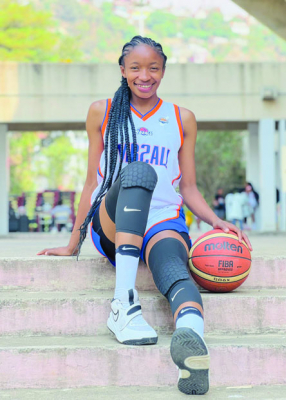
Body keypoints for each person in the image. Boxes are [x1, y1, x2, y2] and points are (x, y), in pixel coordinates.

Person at [37, 36, 252, 395]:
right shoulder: (102, 112)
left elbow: (189, 188)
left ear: (163, 71)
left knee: (175, 271)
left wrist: (215, 221)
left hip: (162, 220)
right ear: (123, 71)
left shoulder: (181, 118)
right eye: (135, 68)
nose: (144, 76)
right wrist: (72, 242)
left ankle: (192, 341)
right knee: (138, 173)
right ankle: (123, 304)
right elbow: (91, 183)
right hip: (113, 220)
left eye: (153, 68)